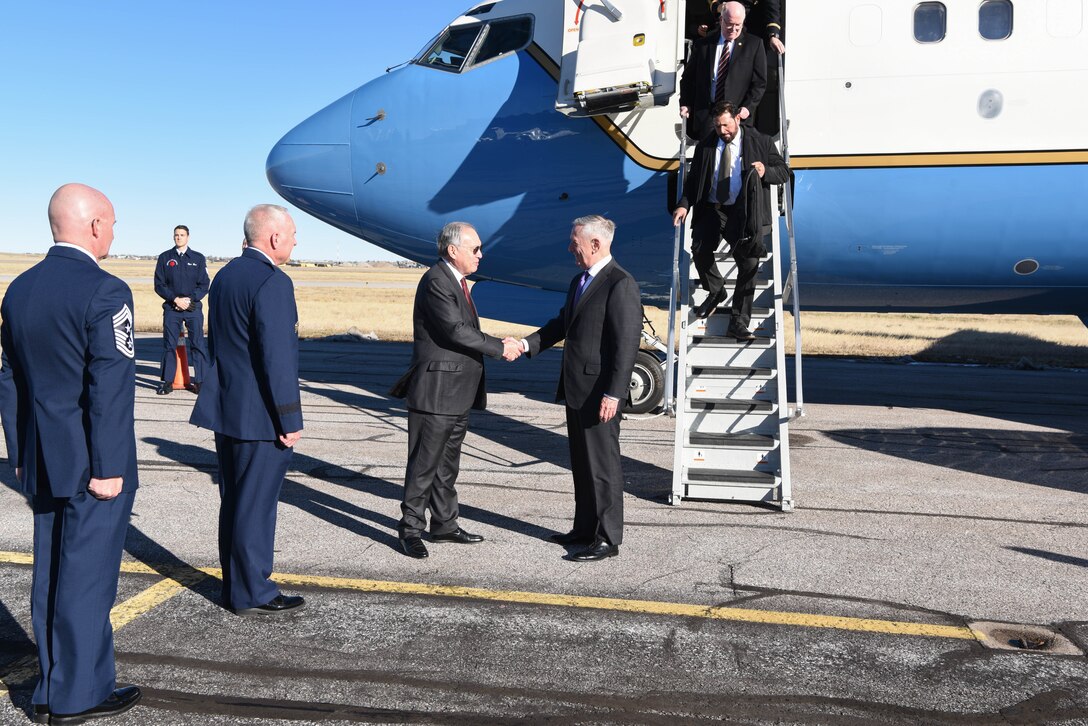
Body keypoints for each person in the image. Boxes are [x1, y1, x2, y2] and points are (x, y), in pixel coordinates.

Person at [0, 183, 142, 723]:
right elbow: (110, 387)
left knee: (52, 572)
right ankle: (77, 695)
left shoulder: (20, 289)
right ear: (94, 225)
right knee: (86, 578)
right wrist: (107, 469)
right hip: (90, 463)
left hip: (41, 456)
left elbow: (9, 378)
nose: (113, 232)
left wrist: (19, 450)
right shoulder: (106, 292)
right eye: (112, 222)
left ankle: (56, 683)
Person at [190, 204, 306, 616]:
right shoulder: (272, 282)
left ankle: (236, 587)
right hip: (261, 417)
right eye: (292, 234)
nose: (295, 241)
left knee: (236, 502)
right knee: (256, 506)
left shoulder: (226, 276)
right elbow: (276, 359)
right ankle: (253, 590)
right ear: (274, 238)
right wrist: (289, 419)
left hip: (229, 410)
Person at [389, 222, 522, 559]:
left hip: (457, 392)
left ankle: (445, 525)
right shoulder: (437, 281)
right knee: (423, 466)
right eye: (475, 248)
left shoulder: (458, 282)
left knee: (447, 466)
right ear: (453, 250)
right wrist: (499, 347)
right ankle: (410, 529)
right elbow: (454, 330)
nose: (481, 254)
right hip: (436, 392)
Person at [520, 216, 641, 562]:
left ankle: (607, 537)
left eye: (575, 242)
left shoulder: (621, 283)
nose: (570, 248)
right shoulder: (580, 281)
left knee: (602, 467)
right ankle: (584, 528)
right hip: (576, 389)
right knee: (582, 464)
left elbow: (626, 345)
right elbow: (562, 324)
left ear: (595, 244)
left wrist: (614, 393)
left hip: (601, 393)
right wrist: (527, 345)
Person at [672, 101, 790, 338]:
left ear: (737, 119)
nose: (722, 131)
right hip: (714, 208)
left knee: (748, 264)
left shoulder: (761, 141)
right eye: (718, 127)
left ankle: (739, 321)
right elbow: (694, 180)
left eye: (726, 125)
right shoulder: (706, 145)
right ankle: (716, 291)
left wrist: (765, 171)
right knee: (700, 249)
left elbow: (784, 172)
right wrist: (684, 205)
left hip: (743, 212)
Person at [679, 1, 767, 140]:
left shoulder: (754, 45)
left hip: (737, 116)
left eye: (738, 25)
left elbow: (759, 83)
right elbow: (688, 78)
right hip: (708, 115)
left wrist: (748, 107)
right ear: (721, 20)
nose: (733, 29)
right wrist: (685, 103)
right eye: (729, 24)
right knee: (709, 158)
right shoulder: (704, 45)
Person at [153, 224, 210, 395]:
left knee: (198, 344)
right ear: (173, 237)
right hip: (172, 308)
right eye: (176, 235)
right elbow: (159, 284)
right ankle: (168, 382)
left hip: (192, 308)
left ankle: (200, 381)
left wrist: (190, 300)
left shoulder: (198, 258)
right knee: (169, 345)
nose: (179, 237)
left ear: (188, 237)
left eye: (182, 235)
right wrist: (175, 299)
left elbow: (204, 284)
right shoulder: (165, 258)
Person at [740, 0, 786, 137]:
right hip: (726, 30)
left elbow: (772, 7)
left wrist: (773, 35)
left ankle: (747, 133)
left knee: (751, 85)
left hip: (753, 32)